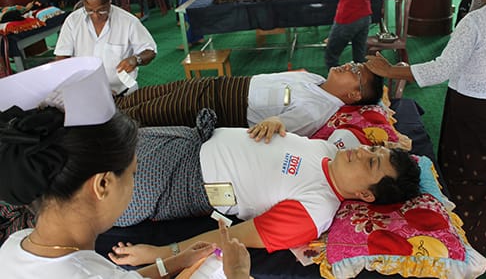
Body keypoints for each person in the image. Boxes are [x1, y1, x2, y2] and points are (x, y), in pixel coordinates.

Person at [107, 108, 421, 266]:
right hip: (187, 137)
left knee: (93, 187)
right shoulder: (327, 149)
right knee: (97, 144)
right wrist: (274, 121)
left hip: (174, 181)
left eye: (371, 163)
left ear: (366, 195)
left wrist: (161, 254)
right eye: (372, 150)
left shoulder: (314, 210)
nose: (363, 152)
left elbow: (227, 239)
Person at [0, 58, 219, 279]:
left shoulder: (16, 244)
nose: (134, 184)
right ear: (103, 184)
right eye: (132, 174)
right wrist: (237, 271)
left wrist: (176, 260)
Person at [365, 0, 486, 255]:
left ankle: (462, 241)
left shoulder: (475, 22)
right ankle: (481, 227)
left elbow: (442, 68)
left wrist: (391, 70)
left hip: (473, 107)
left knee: (464, 169)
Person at [115, 62, 384, 139]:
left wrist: (275, 121)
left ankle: (93, 128)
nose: (349, 65)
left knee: (146, 114)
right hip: (219, 85)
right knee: (143, 96)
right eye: (355, 63)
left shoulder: (316, 111)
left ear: (354, 95)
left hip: (218, 106)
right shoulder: (315, 79)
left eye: (356, 72)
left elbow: (275, 127)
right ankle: (96, 112)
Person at [54, 0, 157, 96]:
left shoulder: (128, 21)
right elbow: (62, 57)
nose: (96, 16)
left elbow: (150, 50)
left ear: (110, 1)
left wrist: (136, 59)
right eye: (90, 10)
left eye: (102, 10)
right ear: (83, 1)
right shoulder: (73, 21)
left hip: (121, 94)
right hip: (85, 93)